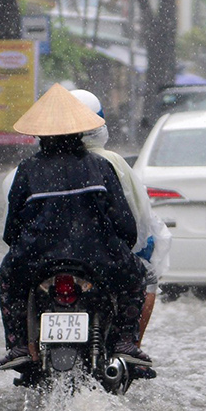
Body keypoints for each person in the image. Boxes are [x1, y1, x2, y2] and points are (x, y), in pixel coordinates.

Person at [0, 84, 147, 372]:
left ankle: (17, 346)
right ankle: (124, 342)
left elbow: (10, 232)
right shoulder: (101, 167)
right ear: (81, 132)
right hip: (97, 257)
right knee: (136, 274)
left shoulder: (27, 170)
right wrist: (118, 249)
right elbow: (126, 226)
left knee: (7, 278)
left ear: (40, 135)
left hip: (37, 260)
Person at [69, 88, 168, 350]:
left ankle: (25, 347)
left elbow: (13, 228)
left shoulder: (36, 164)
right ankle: (129, 344)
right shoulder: (109, 163)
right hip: (101, 256)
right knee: (145, 277)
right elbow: (133, 220)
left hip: (44, 257)